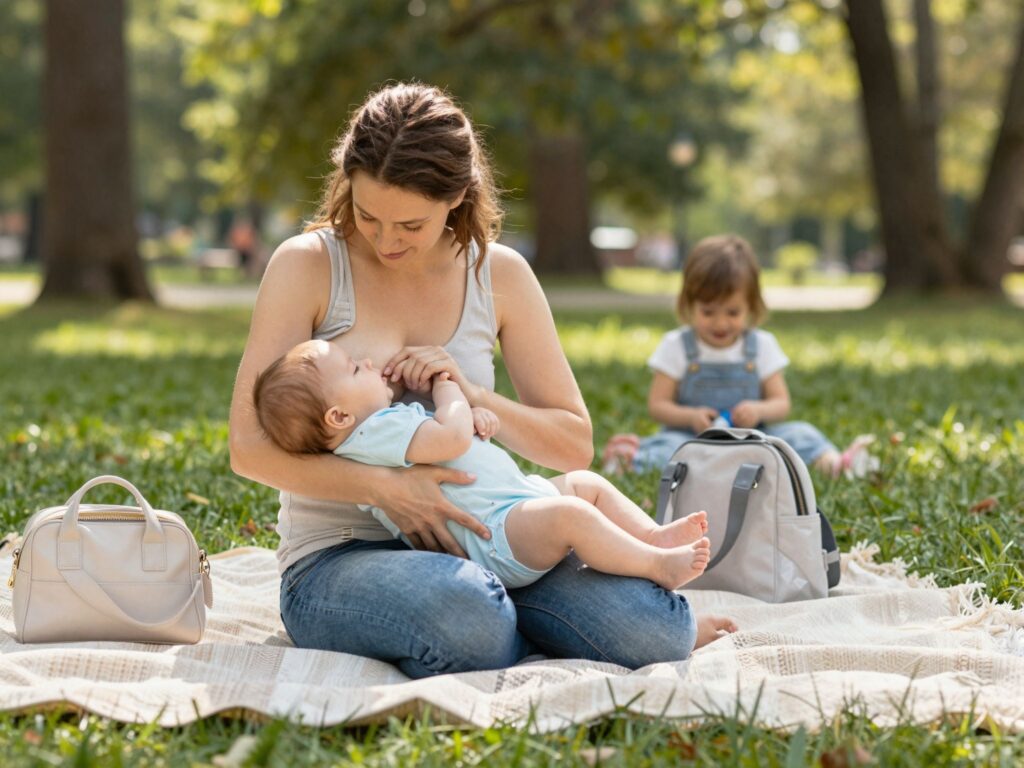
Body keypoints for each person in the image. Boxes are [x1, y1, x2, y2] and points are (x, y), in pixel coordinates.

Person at [228, 82, 734, 679]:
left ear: (457, 197)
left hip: (490, 537)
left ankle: (511, 624)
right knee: (467, 614)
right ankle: (516, 629)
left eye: (410, 224)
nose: (387, 240)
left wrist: (473, 394)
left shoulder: (500, 275)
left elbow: (571, 442)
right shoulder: (307, 265)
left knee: (650, 629)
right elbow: (249, 449)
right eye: (368, 216)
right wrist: (386, 489)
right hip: (341, 557)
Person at [252, 338, 720, 592]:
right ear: (338, 417)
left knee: (584, 484)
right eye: (355, 370)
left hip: (516, 503)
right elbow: (449, 436)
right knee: (574, 514)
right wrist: (448, 383)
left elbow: (451, 438)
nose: (368, 362)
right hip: (496, 532)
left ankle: (652, 536)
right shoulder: (372, 433)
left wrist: (472, 416)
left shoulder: (381, 429)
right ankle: (657, 564)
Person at [602, 234, 876, 476]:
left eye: (732, 312)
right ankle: (627, 460)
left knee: (800, 434)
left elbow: (781, 402)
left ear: (751, 306)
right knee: (670, 449)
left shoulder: (761, 345)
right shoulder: (677, 345)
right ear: (689, 304)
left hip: (754, 440)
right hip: (693, 441)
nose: (720, 324)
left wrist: (758, 410)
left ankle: (835, 463)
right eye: (708, 312)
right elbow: (658, 405)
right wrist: (690, 416)